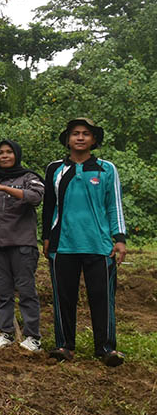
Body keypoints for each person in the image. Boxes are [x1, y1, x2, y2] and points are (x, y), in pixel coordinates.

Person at [43, 118, 127, 366]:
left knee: (102, 297)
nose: (80, 138)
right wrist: (46, 237)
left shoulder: (106, 169)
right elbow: (49, 205)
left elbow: (114, 205)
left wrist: (119, 239)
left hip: (98, 244)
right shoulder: (55, 169)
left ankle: (105, 348)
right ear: (67, 139)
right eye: (75, 133)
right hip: (63, 243)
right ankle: (64, 345)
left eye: (86, 134)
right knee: (63, 297)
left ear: (94, 140)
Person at [0, 140, 45, 352]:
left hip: (23, 244)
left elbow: (35, 198)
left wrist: (4, 188)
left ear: (17, 155)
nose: (4, 156)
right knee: (3, 292)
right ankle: (5, 332)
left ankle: (33, 336)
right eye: (0, 153)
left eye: (9, 152)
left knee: (26, 291)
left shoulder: (30, 178)